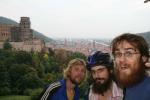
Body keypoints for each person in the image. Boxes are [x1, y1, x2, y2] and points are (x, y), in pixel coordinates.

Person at [111, 33, 150, 100]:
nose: (121, 60)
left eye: (129, 53)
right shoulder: (129, 82)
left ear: (143, 58)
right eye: (118, 54)